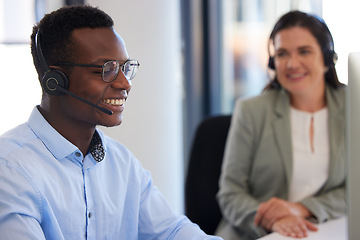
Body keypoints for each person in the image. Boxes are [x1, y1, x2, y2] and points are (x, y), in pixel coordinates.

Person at [0, 5, 223, 240]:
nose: (125, 83)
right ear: (56, 81)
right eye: (107, 69)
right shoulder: (10, 169)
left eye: (125, 68)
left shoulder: (121, 162)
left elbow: (171, 230)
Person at [215, 10, 346, 240]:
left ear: (327, 59)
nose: (292, 64)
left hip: (325, 229)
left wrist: (303, 208)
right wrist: (275, 220)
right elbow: (230, 194)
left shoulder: (352, 106)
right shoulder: (251, 111)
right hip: (257, 233)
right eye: (282, 54)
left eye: (304, 51)